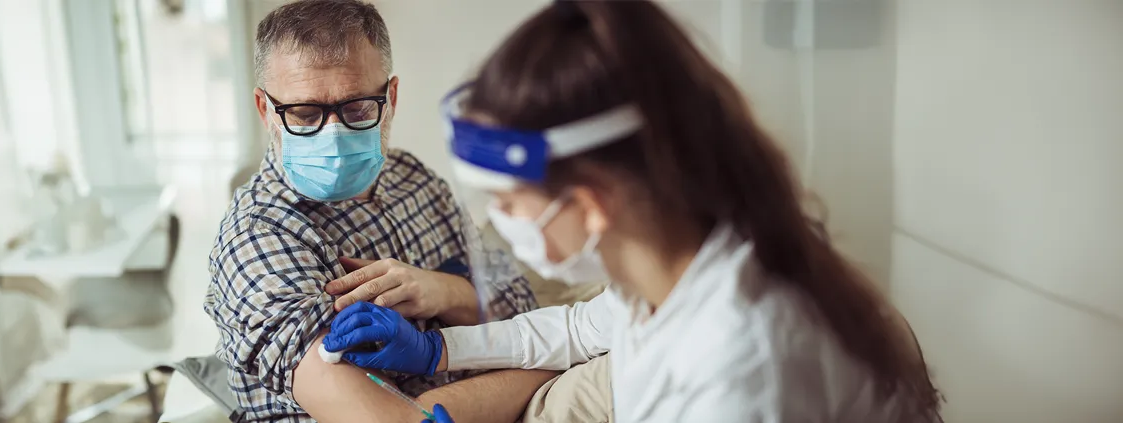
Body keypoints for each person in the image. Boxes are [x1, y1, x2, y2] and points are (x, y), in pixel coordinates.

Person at [322, 1, 945, 422]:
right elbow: (577, 330)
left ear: (591, 205)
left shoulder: (744, 361)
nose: (499, 219)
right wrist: (438, 353)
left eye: (509, 202)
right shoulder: (676, 261)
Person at [204, 1, 565, 421]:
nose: (333, 134)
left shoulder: (413, 178)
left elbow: (518, 301)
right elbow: (394, 419)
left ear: (390, 97)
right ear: (266, 109)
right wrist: (554, 363)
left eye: (357, 109)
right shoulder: (260, 236)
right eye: (304, 114)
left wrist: (441, 290)